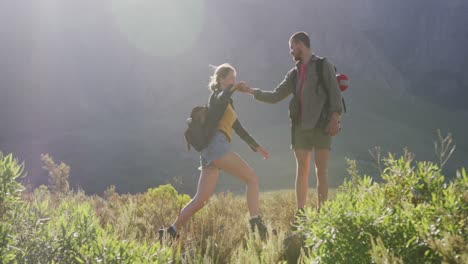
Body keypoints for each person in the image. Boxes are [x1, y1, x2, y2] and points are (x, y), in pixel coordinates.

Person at [237, 32, 344, 217]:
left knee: (321, 171)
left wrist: (335, 118)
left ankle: (323, 214)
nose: (290, 51)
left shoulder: (323, 65)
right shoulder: (293, 73)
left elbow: (335, 94)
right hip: (299, 128)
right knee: (301, 170)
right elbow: (276, 95)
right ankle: (300, 213)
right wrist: (250, 91)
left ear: (300, 44)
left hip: (321, 125)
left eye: (291, 47)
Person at [159, 63, 269, 241]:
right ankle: (256, 223)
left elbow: (239, 129)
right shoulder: (216, 97)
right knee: (252, 179)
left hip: (210, 153)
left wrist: (257, 147)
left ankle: (170, 232)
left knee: (200, 200)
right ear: (221, 79)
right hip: (218, 148)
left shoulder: (228, 103)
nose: (235, 80)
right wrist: (234, 87)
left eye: (235, 77)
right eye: (231, 77)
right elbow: (223, 96)